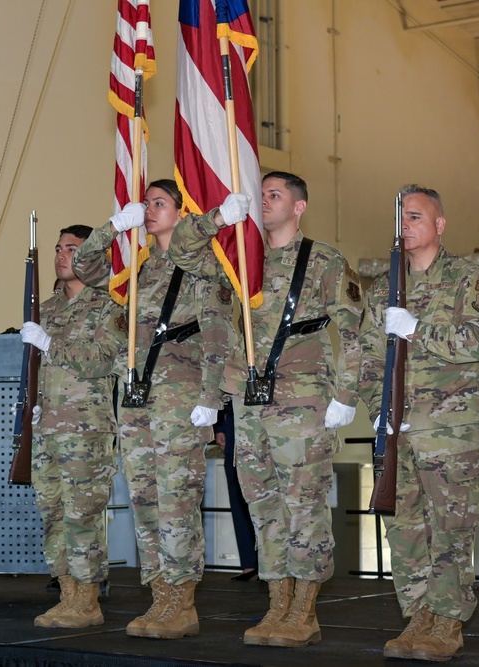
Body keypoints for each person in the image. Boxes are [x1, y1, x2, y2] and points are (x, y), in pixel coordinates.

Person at [167, 171, 364, 648]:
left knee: (304, 507)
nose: (265, 202)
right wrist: (218, 217)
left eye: (275, 195)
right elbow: (180, 250)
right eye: (261, 196)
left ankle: (305, 610)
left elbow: (358, 330)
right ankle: (278, 603)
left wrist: (345, 393)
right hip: (247, 406)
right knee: (264, 510)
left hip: (301, 400)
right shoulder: (238, 259)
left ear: (299, 207)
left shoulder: (322, 260)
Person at [67, 179, 232, 640]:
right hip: (135, 397)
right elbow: (84, 264)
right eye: (146, 204)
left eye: (159, 203)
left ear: (183, 214)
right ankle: (160, 595)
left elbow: (219, 332)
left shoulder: (201, 267)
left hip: (180, 396)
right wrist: (116, 227)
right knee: (144, 500)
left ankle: (182, 602)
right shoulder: (136, 269)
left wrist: (211, 397)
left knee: (177, 501)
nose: (149, 210)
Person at [359, 184, 479, 662]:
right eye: (401, 217)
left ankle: (447, 621)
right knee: (403, 527)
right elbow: (364, 356)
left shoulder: (467, 279)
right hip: (396, 430)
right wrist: (375, 408)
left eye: (416, 216)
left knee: (450, 526)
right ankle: (418, 615)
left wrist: (419, 330)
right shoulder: (383, 288)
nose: (406, 225)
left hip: (449, 428)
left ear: (439, 225)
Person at [19, 224, 121, 629]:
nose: (63, 255)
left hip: (86, 429)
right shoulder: (46, 307)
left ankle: (88, 600)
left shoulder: (108, 305)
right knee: (53, 513)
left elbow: (104, 359)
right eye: (59, 249)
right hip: (48, 428)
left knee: (84, 515)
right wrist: (36, 407)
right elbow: (37, 371)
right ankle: (67, 594)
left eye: (72, 249)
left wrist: (50, 344)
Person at [214, 403, 257, 581]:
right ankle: (249, 564)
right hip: (233, 424)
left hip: (262, 422)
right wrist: (219, 427)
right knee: (238, 498)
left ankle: (273, 567)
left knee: (266, 503)